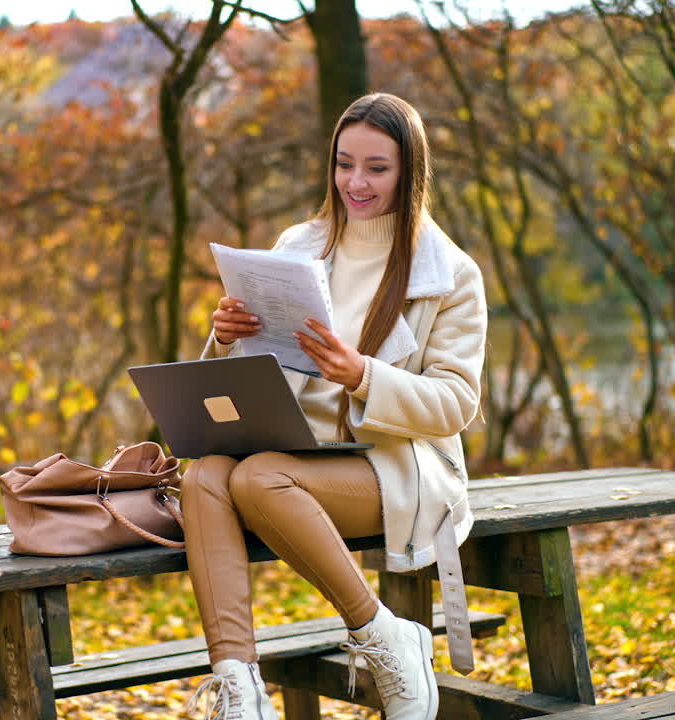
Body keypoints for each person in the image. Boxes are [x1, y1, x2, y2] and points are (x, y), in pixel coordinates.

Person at [180, 92, 487, 720]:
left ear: (410, 172)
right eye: (345, 163)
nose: (356, 182)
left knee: (258, 475)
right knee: (205, 475)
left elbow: (457, 403)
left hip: (394, 467)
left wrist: (363, 376)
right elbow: (256, 372)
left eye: (377, 167)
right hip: (291, 451)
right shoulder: (299, 243)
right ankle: (239, 688)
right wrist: (225, 337)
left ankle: (383, 636)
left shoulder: (450, 273)